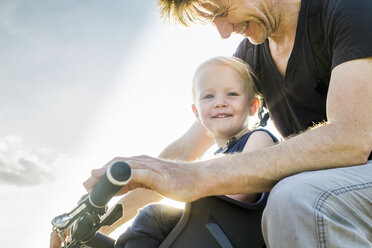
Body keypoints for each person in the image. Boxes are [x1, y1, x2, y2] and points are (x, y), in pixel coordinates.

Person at [54, 0, 372, 247]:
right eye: (213, 19)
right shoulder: (252, 54)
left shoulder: (347, 8)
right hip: (328, 187)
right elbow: (185, 150)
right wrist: (96, 220)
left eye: (223, 11)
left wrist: (196, 177)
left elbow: (351, 138)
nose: (223, 30)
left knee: (296, 197)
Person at [114, 56, 278, 247]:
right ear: (196, 113)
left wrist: (191, 188)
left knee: (155, 217)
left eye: (232, 94)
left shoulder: (258, 137)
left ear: (253, 106)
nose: (220, 102)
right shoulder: (219, 156)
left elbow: (242, 188)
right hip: (215, 230)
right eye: (209, 96)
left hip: (239, 233)